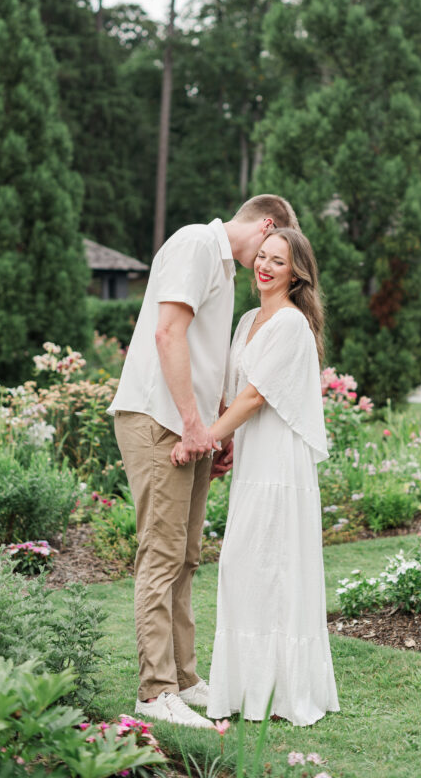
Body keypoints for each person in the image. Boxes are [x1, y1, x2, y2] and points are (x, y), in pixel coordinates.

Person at [108, 196, 299, 729]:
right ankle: (155, 691)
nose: (270, 262)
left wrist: (215, 429)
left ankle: (185, 679)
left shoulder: (223, 269)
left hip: (190, 426)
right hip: (158, 422)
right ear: (267, 226)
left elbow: (205, 354)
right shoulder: (195, 243)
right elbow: (167, 334)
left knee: (187, 554)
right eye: (276, 248)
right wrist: (195, 425)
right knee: (162, 553)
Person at [172, 228, 339, 726]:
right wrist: (222, 440)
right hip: (250, 462)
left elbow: (254, 397)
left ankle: (284, 690)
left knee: (274, 566)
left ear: (296, 273)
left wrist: (204, 440)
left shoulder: (290, 325)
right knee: (243, 567)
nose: (263, 267)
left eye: (277, 261)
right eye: (261, 257)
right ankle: (248, 687)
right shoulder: (247, 320)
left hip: (278, 463)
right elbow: (231, 393)